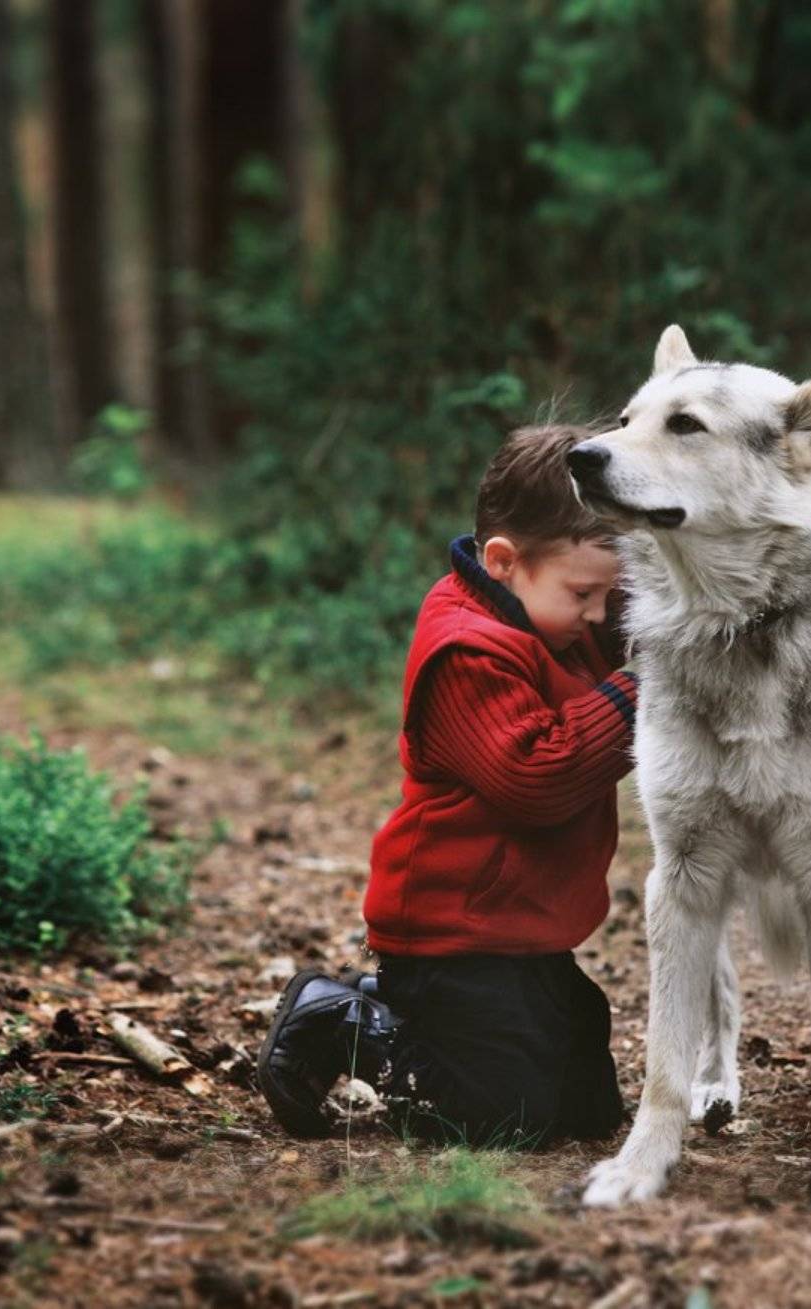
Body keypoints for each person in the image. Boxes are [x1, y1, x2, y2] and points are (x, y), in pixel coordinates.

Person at [256, 424, 638, 1147]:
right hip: (454, 929)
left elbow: (615, 628)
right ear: (502, 561)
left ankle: (402, 1012)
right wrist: (641, 688)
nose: (598, 615)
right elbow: (537, 776)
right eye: (586, 593)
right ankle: (341, 1019)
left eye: (608, 594)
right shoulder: (468, 649)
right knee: (500, 1117)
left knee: (585, 1108)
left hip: (521, 926)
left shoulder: (549, 611)